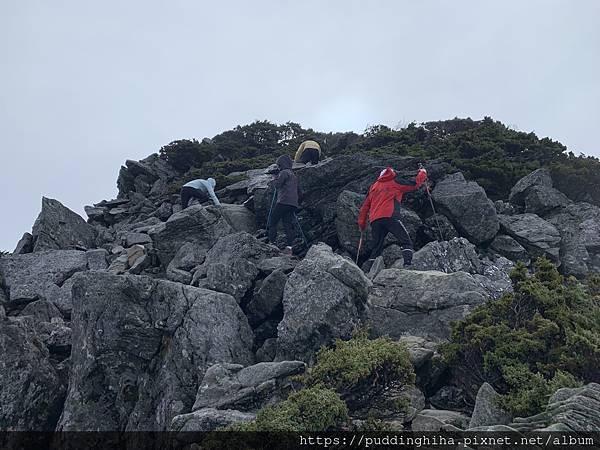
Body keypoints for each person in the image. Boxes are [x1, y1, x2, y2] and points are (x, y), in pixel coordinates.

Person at [357, 166, 428, 267]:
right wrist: (423, 173)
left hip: (375, 221)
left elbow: (364, 207)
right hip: (390, 216)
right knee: (406, 241)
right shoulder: (395, 182)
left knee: (377, 246)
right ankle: (407, 264)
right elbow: (415, 184)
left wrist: (362, 224)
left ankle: (368, 270)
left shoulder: (374, 187)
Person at [267, 154, 301, 255]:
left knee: (273, 220)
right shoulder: (293, 175)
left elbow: (277, 185)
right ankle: (289, 248)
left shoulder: (284, 172)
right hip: (293, 203)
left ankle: (272, 244)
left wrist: (274, 177)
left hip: (283, 201)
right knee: (287, 224)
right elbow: (299, 191)